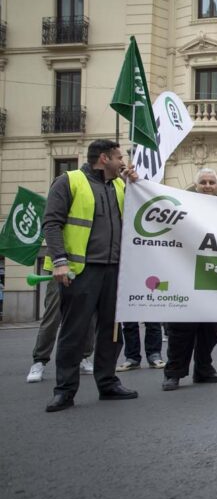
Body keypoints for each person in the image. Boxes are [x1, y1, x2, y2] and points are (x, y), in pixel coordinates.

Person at [41, 139, 140, 412]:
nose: (123, 161)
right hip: (80, 271)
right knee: (75, 332)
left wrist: (136, 184)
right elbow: (51, 223)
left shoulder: (121, 185)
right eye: (119, 157)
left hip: (115, 270)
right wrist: (59, 261)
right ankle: (65, 391)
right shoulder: (68, 181)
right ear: (105, 158)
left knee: (112, 332)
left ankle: (108, 383)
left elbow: (141, 215)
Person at [163, 168, 217, 390]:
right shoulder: (181, 207)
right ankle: (174, 372)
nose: (208, 185)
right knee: (181, 328)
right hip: (185, 272)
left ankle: (204, 368)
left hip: (215, 276)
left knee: (212, 328)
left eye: (212, 182)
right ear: (196, 185)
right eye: (203, 182)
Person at [26, 277, 96, 383]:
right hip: (59, 272)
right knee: (52, 319)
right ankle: (39, 361)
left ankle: (83, 358)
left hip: (87, 274)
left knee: (88, 319)